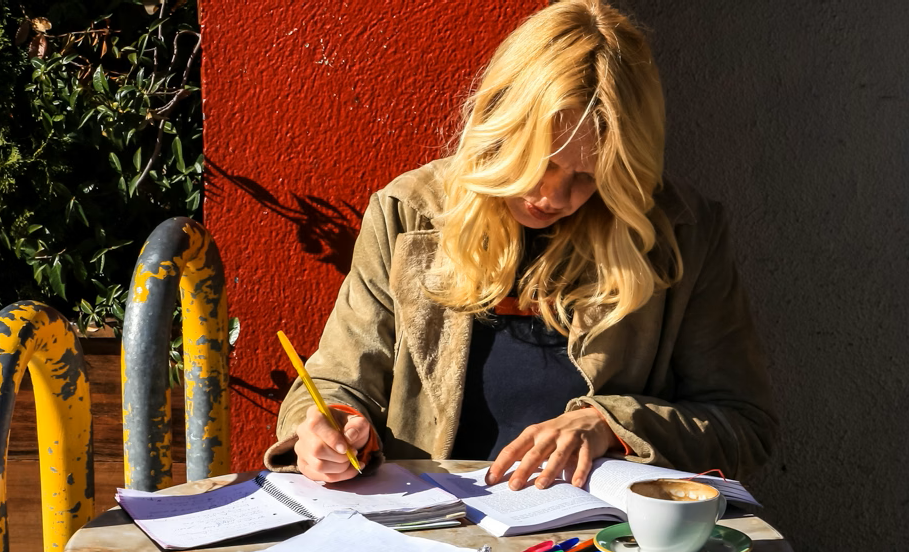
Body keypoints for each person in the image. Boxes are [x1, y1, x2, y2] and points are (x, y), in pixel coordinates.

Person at [263, 0, 777, 491]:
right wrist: (330, 429)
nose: (551, 196)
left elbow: (743, 427)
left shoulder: (682, 233)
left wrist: (609, 425)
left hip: (599, 544)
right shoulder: (407, 214)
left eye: (585, 176)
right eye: (537, 161)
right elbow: (338, 383)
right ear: (495, 125)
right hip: (427, 535)